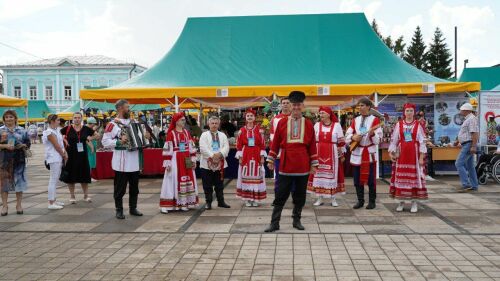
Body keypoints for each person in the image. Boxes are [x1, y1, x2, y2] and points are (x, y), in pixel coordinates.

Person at [265, 91, 318, 232]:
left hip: (302, 164)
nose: (295, 108)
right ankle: (274, 222)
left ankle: (297, 220)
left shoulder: (308, 124)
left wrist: (314, 164)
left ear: (303, 106)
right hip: (285, 163)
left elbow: (312, 145)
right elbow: (275, 143)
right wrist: (270, 159)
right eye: (293, 105)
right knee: (281, 193)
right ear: (290, 106)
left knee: (300, 194)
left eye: (298, 105)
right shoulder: (281, 122)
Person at [102, 99, 144, 219]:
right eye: (127, 107)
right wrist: (119, 141)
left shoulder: (134, 122)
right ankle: (119, 210)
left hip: (134, 161)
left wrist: (144, 137)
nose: (129, 109)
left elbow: (139, 137)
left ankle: (133, 208)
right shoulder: (112, 124)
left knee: (134, 187)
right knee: (120, 188)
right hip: (121, 162)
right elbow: (105, 142)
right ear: (120, 108)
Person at [388, 103, 427, 213]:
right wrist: (391, 153)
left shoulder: (418, 125)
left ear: (414, 112)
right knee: (401, 179)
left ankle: (414, 202)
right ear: (404, 112)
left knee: (414, 179)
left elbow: (422, 142)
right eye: (407, 111)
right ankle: (401, 201)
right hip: (401, 155)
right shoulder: (399, 125)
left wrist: (421, 157)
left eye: (411, 111)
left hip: (413, 155)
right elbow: (394, 140)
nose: (409, 113)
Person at [345, 98, 383, 210]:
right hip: (357, 153)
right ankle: (360, 201)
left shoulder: (375, 121)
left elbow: (378, 140)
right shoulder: (355, 120)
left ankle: (372, 201)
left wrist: (372, 135)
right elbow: (347, 135)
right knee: (357, 179)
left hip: (369, 153)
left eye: (362, 105)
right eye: (359, 106)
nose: (359, 107)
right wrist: (353, 137)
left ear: (368, 107)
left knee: (371, 179)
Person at [160, 113, 199, 214]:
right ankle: (167, 204)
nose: (184, 121)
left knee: (188, 178)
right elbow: (167, 148)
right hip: (175, 159)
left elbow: (191, 146)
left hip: (187, 159)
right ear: (176, 121)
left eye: (184, 120)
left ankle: (185, 203)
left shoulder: (186, 132)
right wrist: (167, 163)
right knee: (171, 180)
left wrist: (193, 158)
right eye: (182, 120)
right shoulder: (171, 134)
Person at [307, 106, 346, 207]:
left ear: (329, 114)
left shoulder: (337, 125)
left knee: (332, 176)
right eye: (320, 113)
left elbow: (341, 142)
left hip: (332, 154)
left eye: (322, 113)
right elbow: (311, 140)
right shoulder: (316, 125)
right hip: (318, 152)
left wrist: (341, 155)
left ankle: (333, 199)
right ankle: (319, 198)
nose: (321, 115)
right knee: (318, 175)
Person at [0, 110, 30, 216]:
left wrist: (23, 146)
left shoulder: (22, 130)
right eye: (6, 117)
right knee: (4, 184)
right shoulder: (1, 130)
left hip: (19, 160)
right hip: (4, 161)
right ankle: (4, 206)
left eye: (11, 117)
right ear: (4, 119)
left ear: (15, 118)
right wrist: (5, 146)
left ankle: (19, 205)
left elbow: (28, 143)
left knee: (19, 183)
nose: (9, 119)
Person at [60, 112, 94, 204]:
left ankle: (86, 195)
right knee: (71, 176)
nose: (77, 119)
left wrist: (90, 140)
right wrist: (64, 140)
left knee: (84, 176)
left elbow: (96, 135)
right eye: (75, 117)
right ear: (72, 119)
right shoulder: (67, 128)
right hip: (70, 156)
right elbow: (58, 136)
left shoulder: (86, 129)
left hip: (83, 156)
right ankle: (72, 196)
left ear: (81, 119)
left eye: (79, 118)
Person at [235, 109, 267, 207]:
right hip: (246, 154)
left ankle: (256, 198)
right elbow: (238, 144)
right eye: (248, 116)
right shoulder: (242, 131)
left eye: (251, 116)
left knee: (257, 174)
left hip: (257, 153)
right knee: (245, 175)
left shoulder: (259, 130)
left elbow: (262, 144)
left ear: (254, 118)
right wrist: (240, 157)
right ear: (245, 117)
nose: (249, 117)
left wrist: (262, 157)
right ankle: (248, 199)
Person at [199, 116, 231, 210]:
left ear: (219, 124)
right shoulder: (204, 135)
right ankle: (208, 202)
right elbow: (202, 148)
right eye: (212, 123)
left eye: (216, 123)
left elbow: (226, 147)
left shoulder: (223, 135)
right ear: (209, 124)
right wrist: (213, 156)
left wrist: (220, 154)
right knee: (207, 185)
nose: (214, 125)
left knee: (219, 184)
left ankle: (221, 202)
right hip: (206, 164)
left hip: (220, 163)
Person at [42, 114, 68, 210]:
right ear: (52, 121)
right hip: (54, 158)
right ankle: (51, 202)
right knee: (53, 179)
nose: (59, 121)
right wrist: (63, 154)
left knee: (55, 179)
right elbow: (56, 146)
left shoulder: (56, 130)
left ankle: (54, 200)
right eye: (57, 120)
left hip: (57, 157)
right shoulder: (49, 132)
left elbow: (61, 142)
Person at [269, 97, 292, 194]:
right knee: (279, 175)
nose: (285, 104)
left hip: (292, 152)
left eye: (287, 103)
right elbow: (272, 136)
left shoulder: (296, 117)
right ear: (280, 105)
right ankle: (278, 195)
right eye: (284, 103)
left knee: (293, 174)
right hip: (279, 152)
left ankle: (294, 195)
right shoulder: (275, 119)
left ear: (290, 105)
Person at [455, 103, 479, 192]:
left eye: (462, 109)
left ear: (466, 110)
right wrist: (458, 141)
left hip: (468, 144)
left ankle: (466, 184)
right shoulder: (469, 119)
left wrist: (473, 146)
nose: (460, 111)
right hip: (467, 144)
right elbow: (468, 133)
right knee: (470, 166)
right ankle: (474, 186)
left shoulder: (471, 119)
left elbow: (474, 133)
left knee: (458, 163)